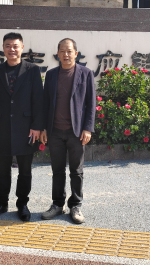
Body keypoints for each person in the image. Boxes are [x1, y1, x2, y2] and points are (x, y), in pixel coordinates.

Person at [0, 32, 44, 221]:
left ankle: (22, 204)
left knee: (25, 170)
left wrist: (37, 126)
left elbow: (38, 100)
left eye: (15, 46)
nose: (12, 49)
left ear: (22, 47)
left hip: (26, 128)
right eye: (8, 46)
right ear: (3, 48)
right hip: (2, 128)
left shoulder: (32, 70)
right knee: (2, 170)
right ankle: (1, 203)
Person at [40, 38, 95, 224]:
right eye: (62, 51)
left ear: (76, 53)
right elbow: (45, 103)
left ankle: (76, 205)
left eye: (69, 51)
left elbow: (91, 103)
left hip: (76, 132)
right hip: (55, 131)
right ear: (57, 54)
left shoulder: (86, 74)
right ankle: (57, 204)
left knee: (76, 171)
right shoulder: (51, 75)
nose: (66, 54)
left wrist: (88, 128)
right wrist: (44, 128)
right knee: (57, 170)